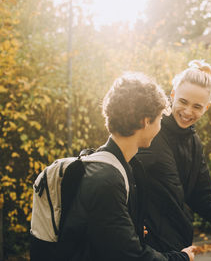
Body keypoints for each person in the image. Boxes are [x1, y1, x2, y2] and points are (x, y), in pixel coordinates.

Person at [58, 72, 195, 261]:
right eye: (159, 119)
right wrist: (182, 258)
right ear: (146, 121)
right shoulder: (107, 179)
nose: (160, 126)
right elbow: (131, 255)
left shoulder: (118, 166)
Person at [134, 60, 211, 259]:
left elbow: (203, 197)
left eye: (197, 106)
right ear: (172, 96)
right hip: (145, 250)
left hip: (179, 249)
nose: (188, 112)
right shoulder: (149, 130)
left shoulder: (194, 144)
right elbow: (124, 181)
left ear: (206, 108)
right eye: (183, 102)